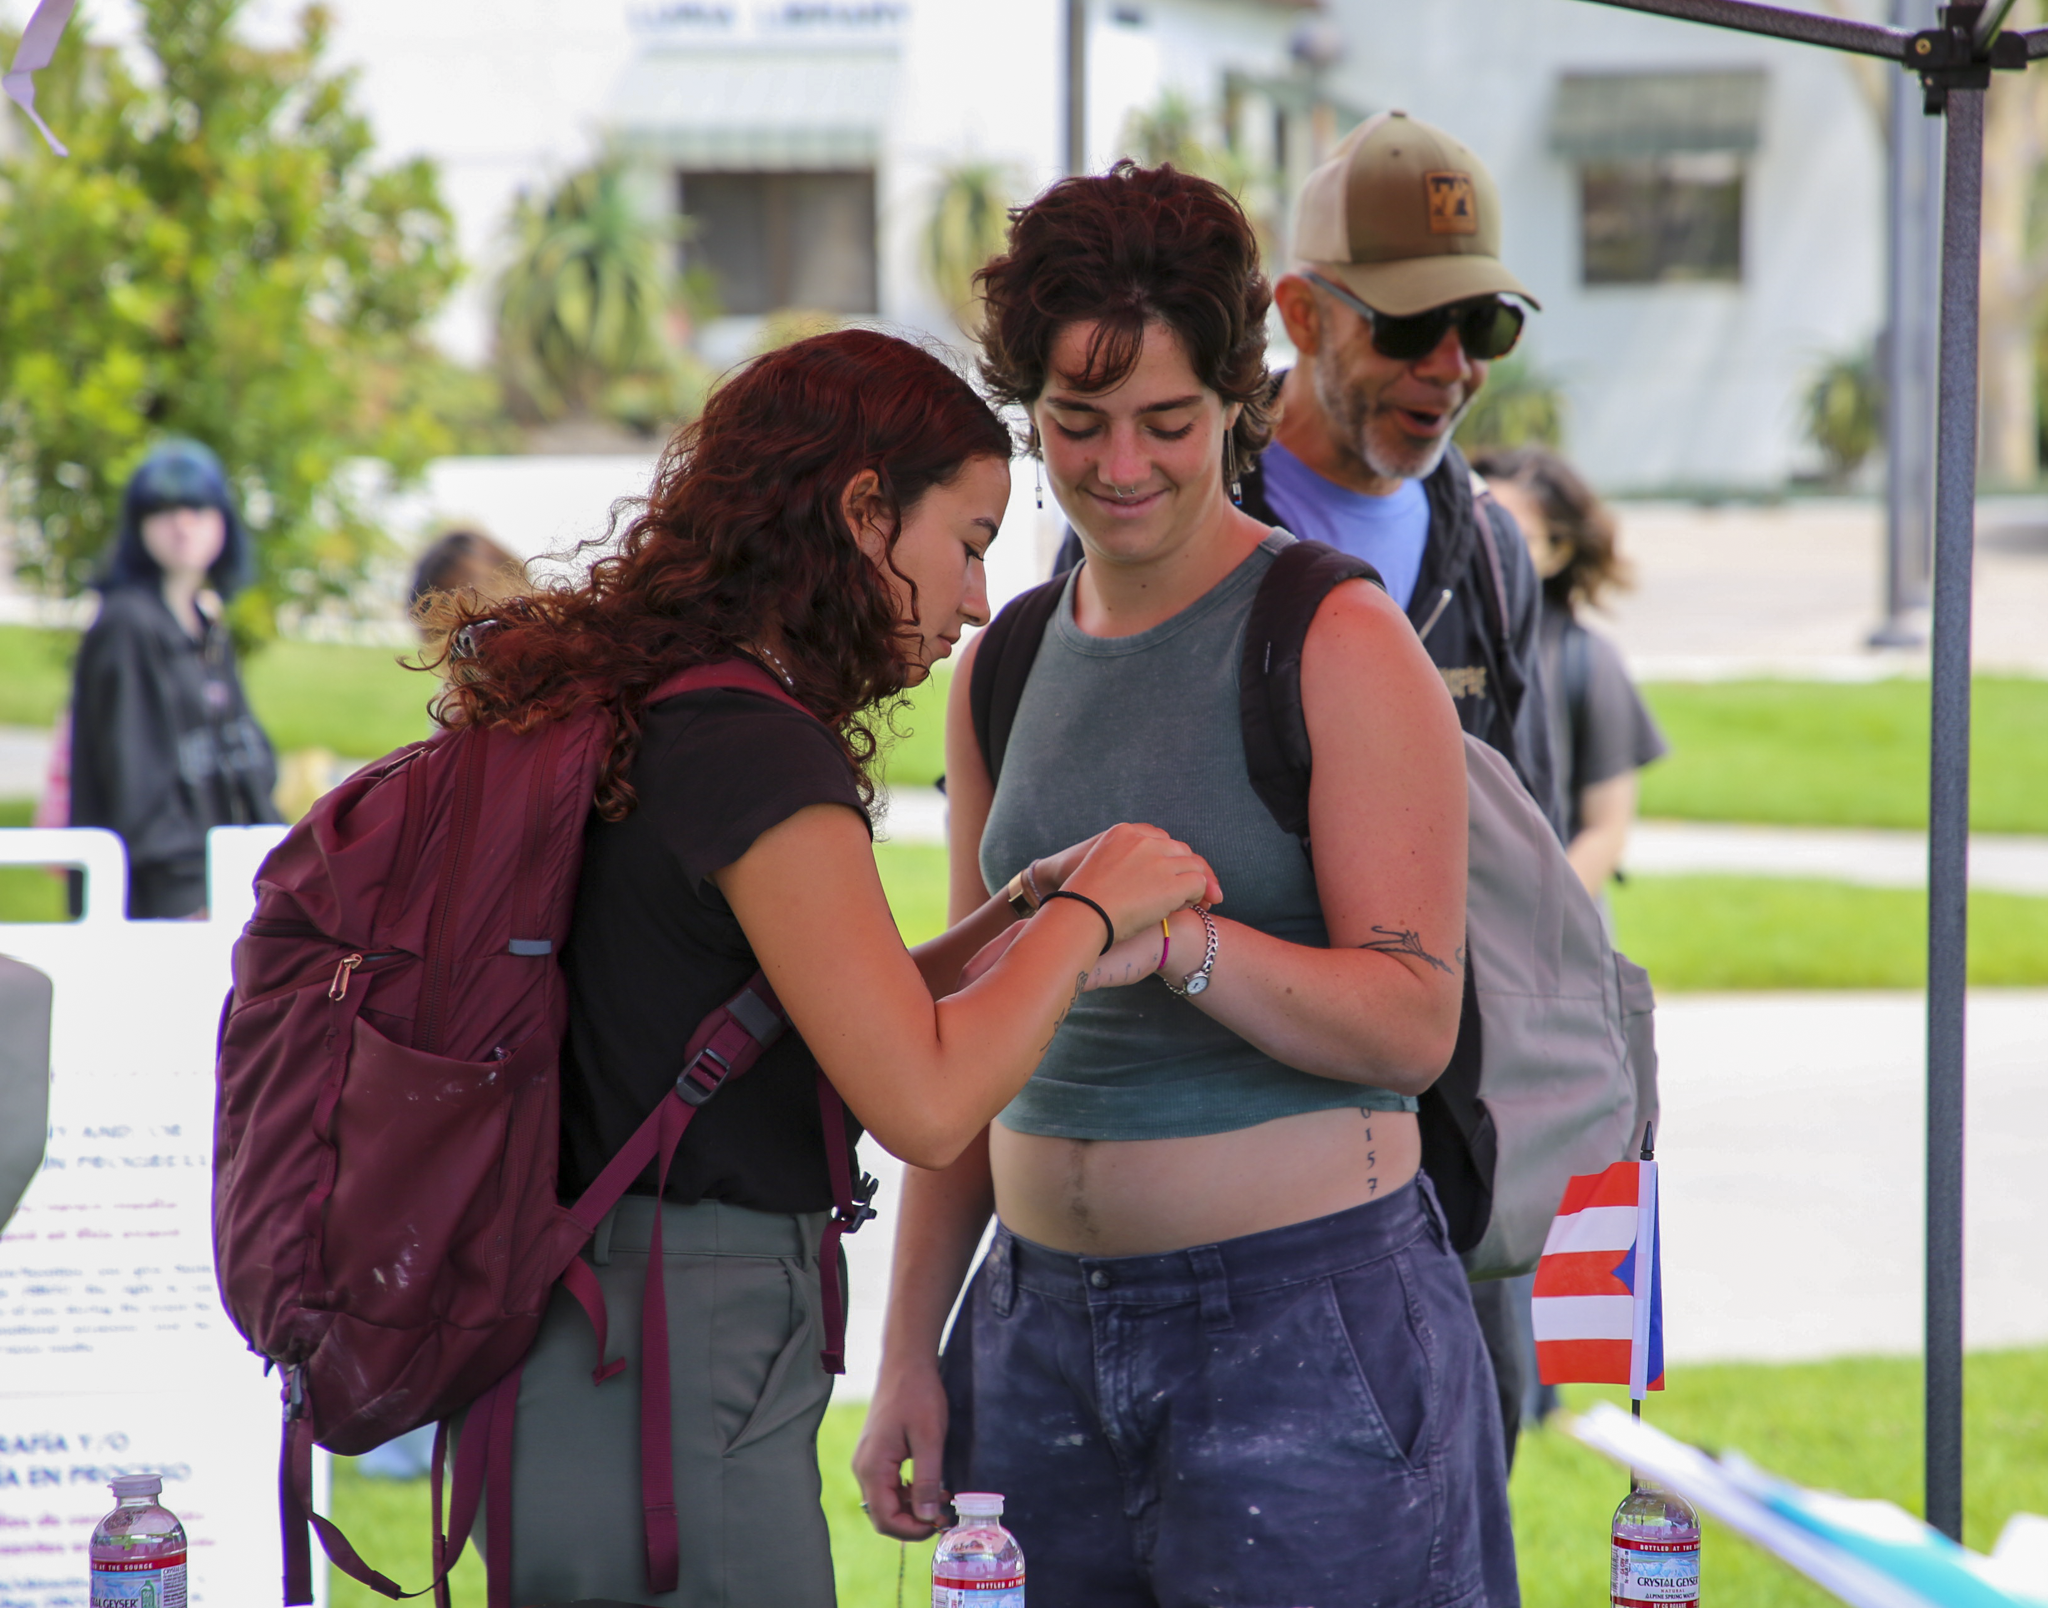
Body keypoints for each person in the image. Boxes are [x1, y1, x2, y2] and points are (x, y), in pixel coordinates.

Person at [423, 328, 1218, 1607]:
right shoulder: (755, 751)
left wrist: (1018, 911)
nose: (974, 600)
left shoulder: (669, 699)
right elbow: (923, 1098)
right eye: (964, 544)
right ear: (861, 513)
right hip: (677, 1339)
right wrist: (1081, 920)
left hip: (588, 1327)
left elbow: (791, 1012)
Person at [853, 164, 1517, 1607]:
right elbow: (966, 1039)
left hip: (1308, 1328)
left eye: (1167, 422)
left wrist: (1184, 950)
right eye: (1076, 425)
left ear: (1238, 400)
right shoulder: (1004, 661)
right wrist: (911, 1347)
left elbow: (1411, 1023)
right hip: (1030, 1340)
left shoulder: (1334, 634)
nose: (1121, 465)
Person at [1049, 110, 1559, 835]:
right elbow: (1056, 807)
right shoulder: (1150, 508)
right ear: (1304, 315)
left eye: (1483, 324)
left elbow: (1536, 846)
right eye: (1408, 326)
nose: (1452, 367)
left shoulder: (1491, 552)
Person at [67, 440, 280, 919]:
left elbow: (245, 760)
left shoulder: (204, 622)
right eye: (162, 510)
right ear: (139, 526)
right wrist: (189, 898)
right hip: (161, 905)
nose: (183, 524)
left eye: (198, 507)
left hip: (222, 885)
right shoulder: (127, 626)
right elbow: (137, 782)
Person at [1472, 446, 1668, 901]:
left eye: (1512, 536)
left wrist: (1536, 929)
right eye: (1475, 530)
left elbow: (1605, 831)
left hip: (1549, 941)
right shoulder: (1418, 640)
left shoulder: (1587, 660)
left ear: (1558, 553)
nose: (1488, 551)